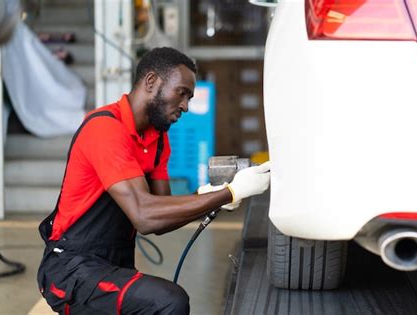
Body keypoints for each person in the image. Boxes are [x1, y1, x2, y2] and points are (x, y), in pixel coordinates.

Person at [36, 47, 271, 314]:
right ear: (151, 82)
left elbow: (160, 214)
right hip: (71, 268)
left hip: (113, 267)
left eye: (189, 98)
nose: (185, 105)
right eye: (181, 93)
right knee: (168, 301)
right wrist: (229, 192)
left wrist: (209, 196)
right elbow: (145, 216)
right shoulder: (105, 129)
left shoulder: (157, 140)